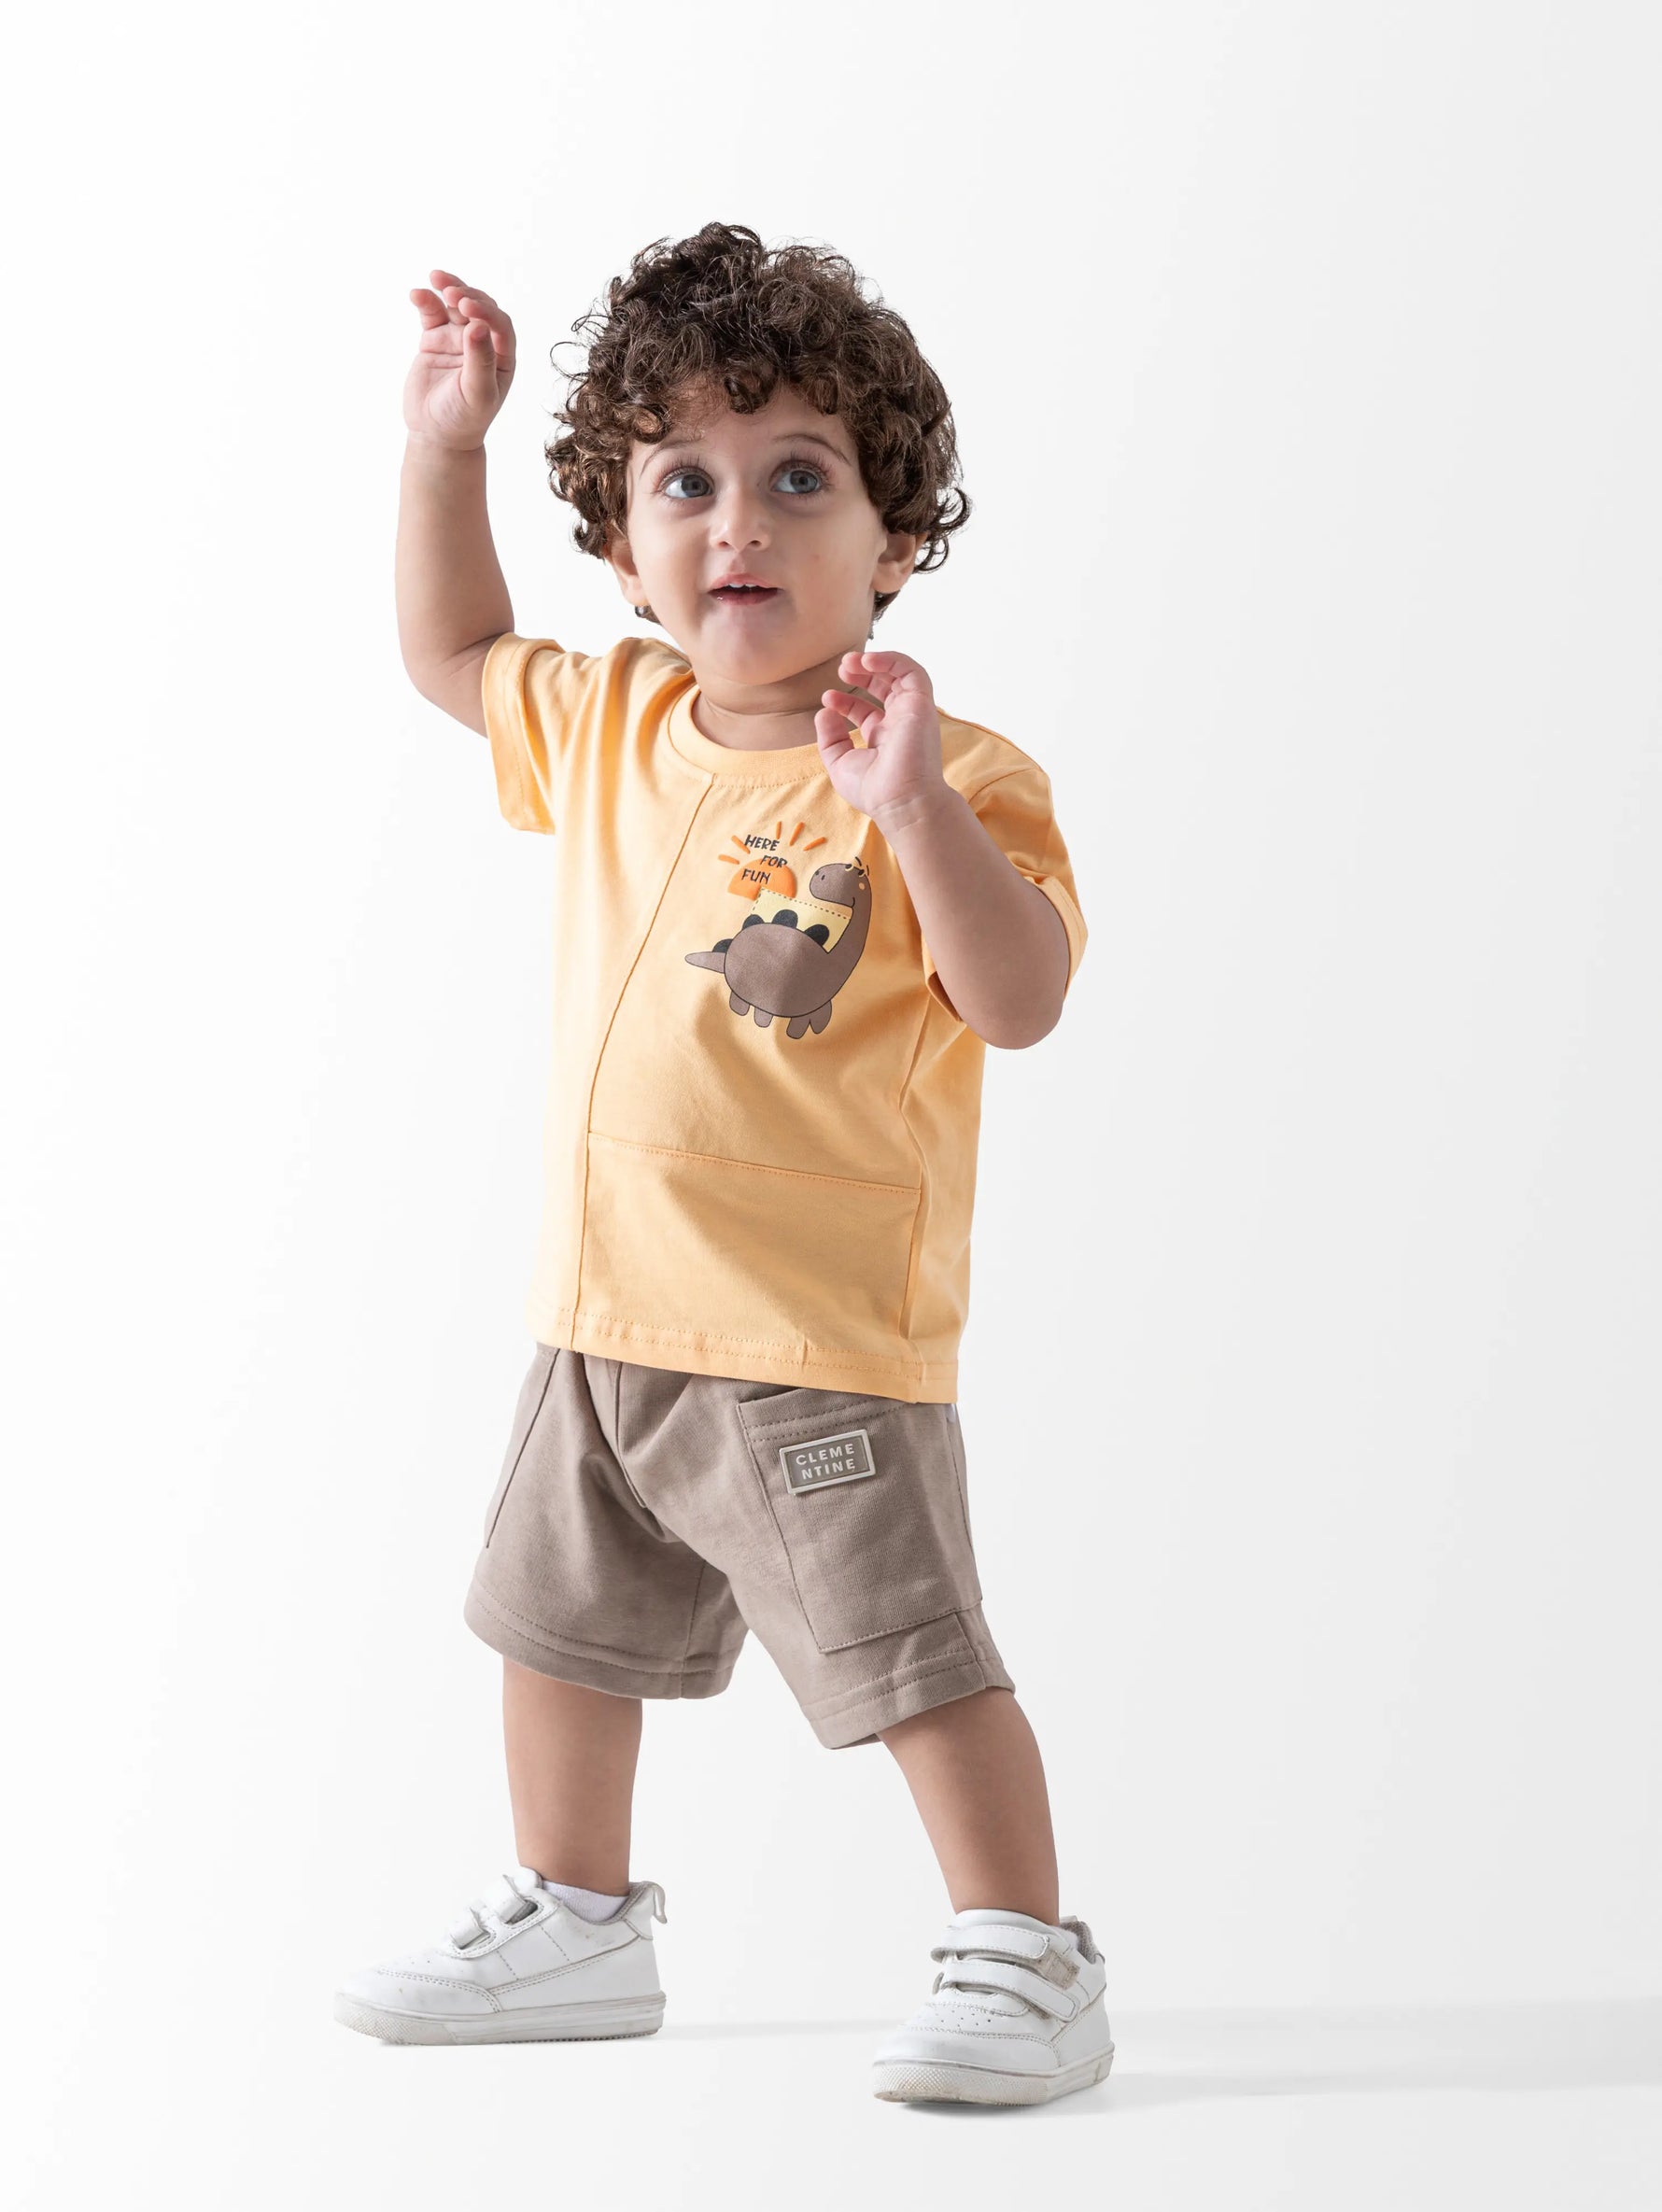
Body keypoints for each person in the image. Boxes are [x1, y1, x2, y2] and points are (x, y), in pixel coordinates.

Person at [333, 221, 1113, 2107]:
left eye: (798, 478)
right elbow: (450, 649)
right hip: (603, 1312)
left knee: (909, 1653)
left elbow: (1018, 1001)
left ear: (895, 540)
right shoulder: (610, 719)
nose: (737, 521)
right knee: (553, 1627)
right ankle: (577, 1916)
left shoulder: (955, 772)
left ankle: (1025, 1949)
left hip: (809, 1338)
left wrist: (906, 809)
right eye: (683, 481)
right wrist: (445, 446)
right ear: (622, 548)